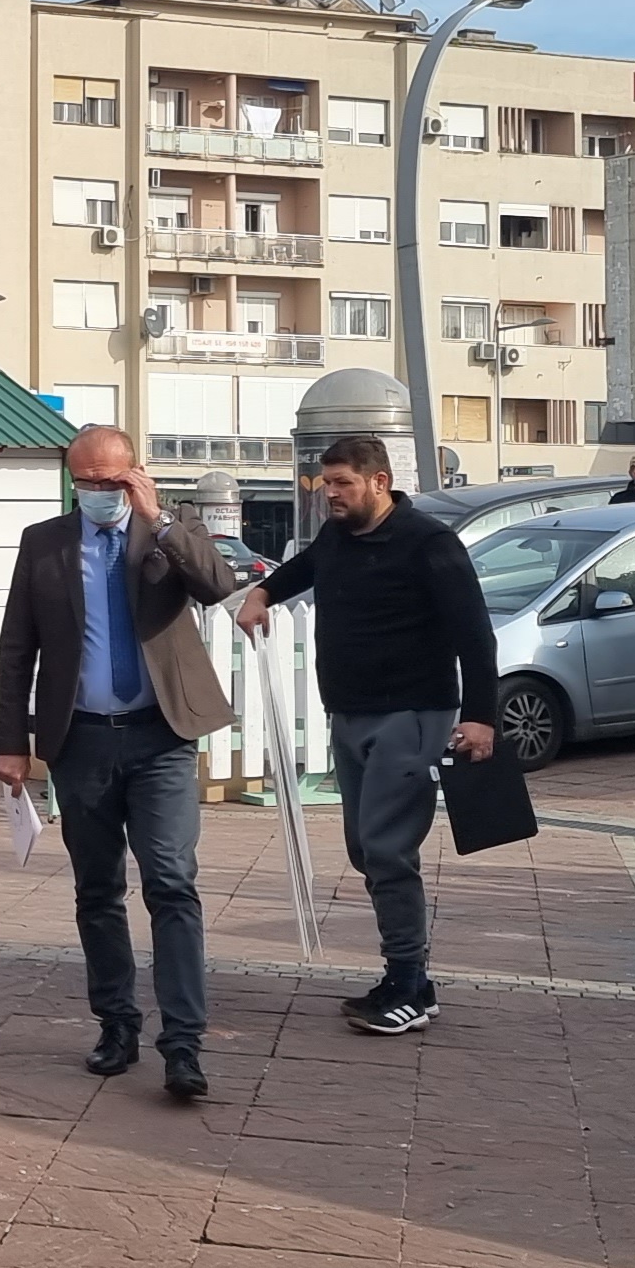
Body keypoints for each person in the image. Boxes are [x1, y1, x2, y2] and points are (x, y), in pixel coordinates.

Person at [0, 425, 235, 1099]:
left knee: (170, 881)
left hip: (161, 736)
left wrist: (156, 521)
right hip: (82, 740)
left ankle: (182, 1042)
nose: (99, 492)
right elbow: (17, 647)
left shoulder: (168, 529)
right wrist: (11, 741)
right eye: (86, 481)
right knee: (97, 889)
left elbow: (218, 586)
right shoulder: (44, 543)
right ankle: (116, 1024)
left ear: (136, 475)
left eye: (111, 481)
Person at [238, 434, 498, 1039]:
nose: (329, 493)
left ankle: (405, 982)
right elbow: (302, 569)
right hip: (349, 713)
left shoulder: (429, 544)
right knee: (364, 847)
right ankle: (414, 982)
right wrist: (261, 591)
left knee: (385, 848)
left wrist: (480, 717)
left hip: (412, 715)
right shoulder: (337, 535)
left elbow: (475, 636)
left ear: (378, 482)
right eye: (325, 483)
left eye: (342, 483)